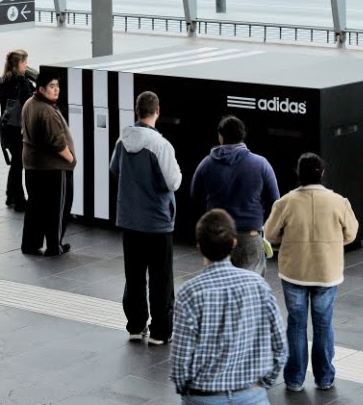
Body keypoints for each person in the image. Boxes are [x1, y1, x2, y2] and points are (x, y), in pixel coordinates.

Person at [170, 208, 287, 404]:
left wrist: (187, 390)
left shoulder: (189, 293)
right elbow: (280, 346)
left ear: (199, 246)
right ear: (234, 243)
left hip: (204, 396)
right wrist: (263, 384)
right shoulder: (259, 286)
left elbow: (181, 357)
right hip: (251, 394)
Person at [264, 152, 358, 393]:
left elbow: (270, 235)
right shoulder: (339, 201)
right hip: (327, 272)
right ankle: (324, 377)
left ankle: (295, 379)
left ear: (298, 173)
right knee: (323, 324)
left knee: (296, 324)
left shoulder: (285, 202)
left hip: (294, 271)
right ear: (322, 174)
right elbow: (351, 233)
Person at [110, 89, 182, 345]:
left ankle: (135, 325)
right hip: (157, 222)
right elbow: (173, 181)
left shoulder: (122, 141)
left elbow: (114, 169)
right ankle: (161, 331)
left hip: (130, 220)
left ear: (137, 112)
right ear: (157, 111)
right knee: (161, 278)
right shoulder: (160, 145)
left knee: (135, 275)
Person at [190, 115, 280, 275]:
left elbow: (195, 195)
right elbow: (275, 202)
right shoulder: (261, 164)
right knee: (250, 290)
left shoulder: (206, 163)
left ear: (221, 137)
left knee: (217, 287)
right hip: (249, 236)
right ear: (242, 136)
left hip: (216, 235)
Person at [20, 67, 76, 257]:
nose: (56, 89)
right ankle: (55, 246)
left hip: (32, 166)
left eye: (57, 85)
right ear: (41, 89)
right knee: (57, 210)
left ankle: (30, 244)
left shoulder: (29, 103)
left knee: (35, 207)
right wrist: (71, 159)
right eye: (52, 86)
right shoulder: (47, 111)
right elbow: (58, 142)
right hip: (53, 168)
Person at [0, 49, 36, 211]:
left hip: (6, 128)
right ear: (19, 64)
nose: (27, 65)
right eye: (25, 62)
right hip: (19, 129)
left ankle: (11, 196)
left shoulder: (3, 80)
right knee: (19, 164)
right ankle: (19, 200)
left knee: (16, 163)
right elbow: (37, 86)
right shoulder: (22, 82)